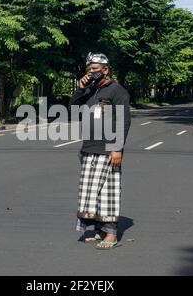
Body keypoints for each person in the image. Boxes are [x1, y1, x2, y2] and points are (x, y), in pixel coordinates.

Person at [70, 52, 131, 249]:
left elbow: (123, 120)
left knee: (108, 191)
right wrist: (80, 89)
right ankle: (98, 231)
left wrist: (117, 149)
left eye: (95, 69)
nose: (91, 72)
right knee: (91, 192)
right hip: (89, 147)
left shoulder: (117, 91)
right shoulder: (90, 90)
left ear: (106, 69)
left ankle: (111, 234)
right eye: (89, 69)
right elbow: (73, 110)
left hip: (108, 148)